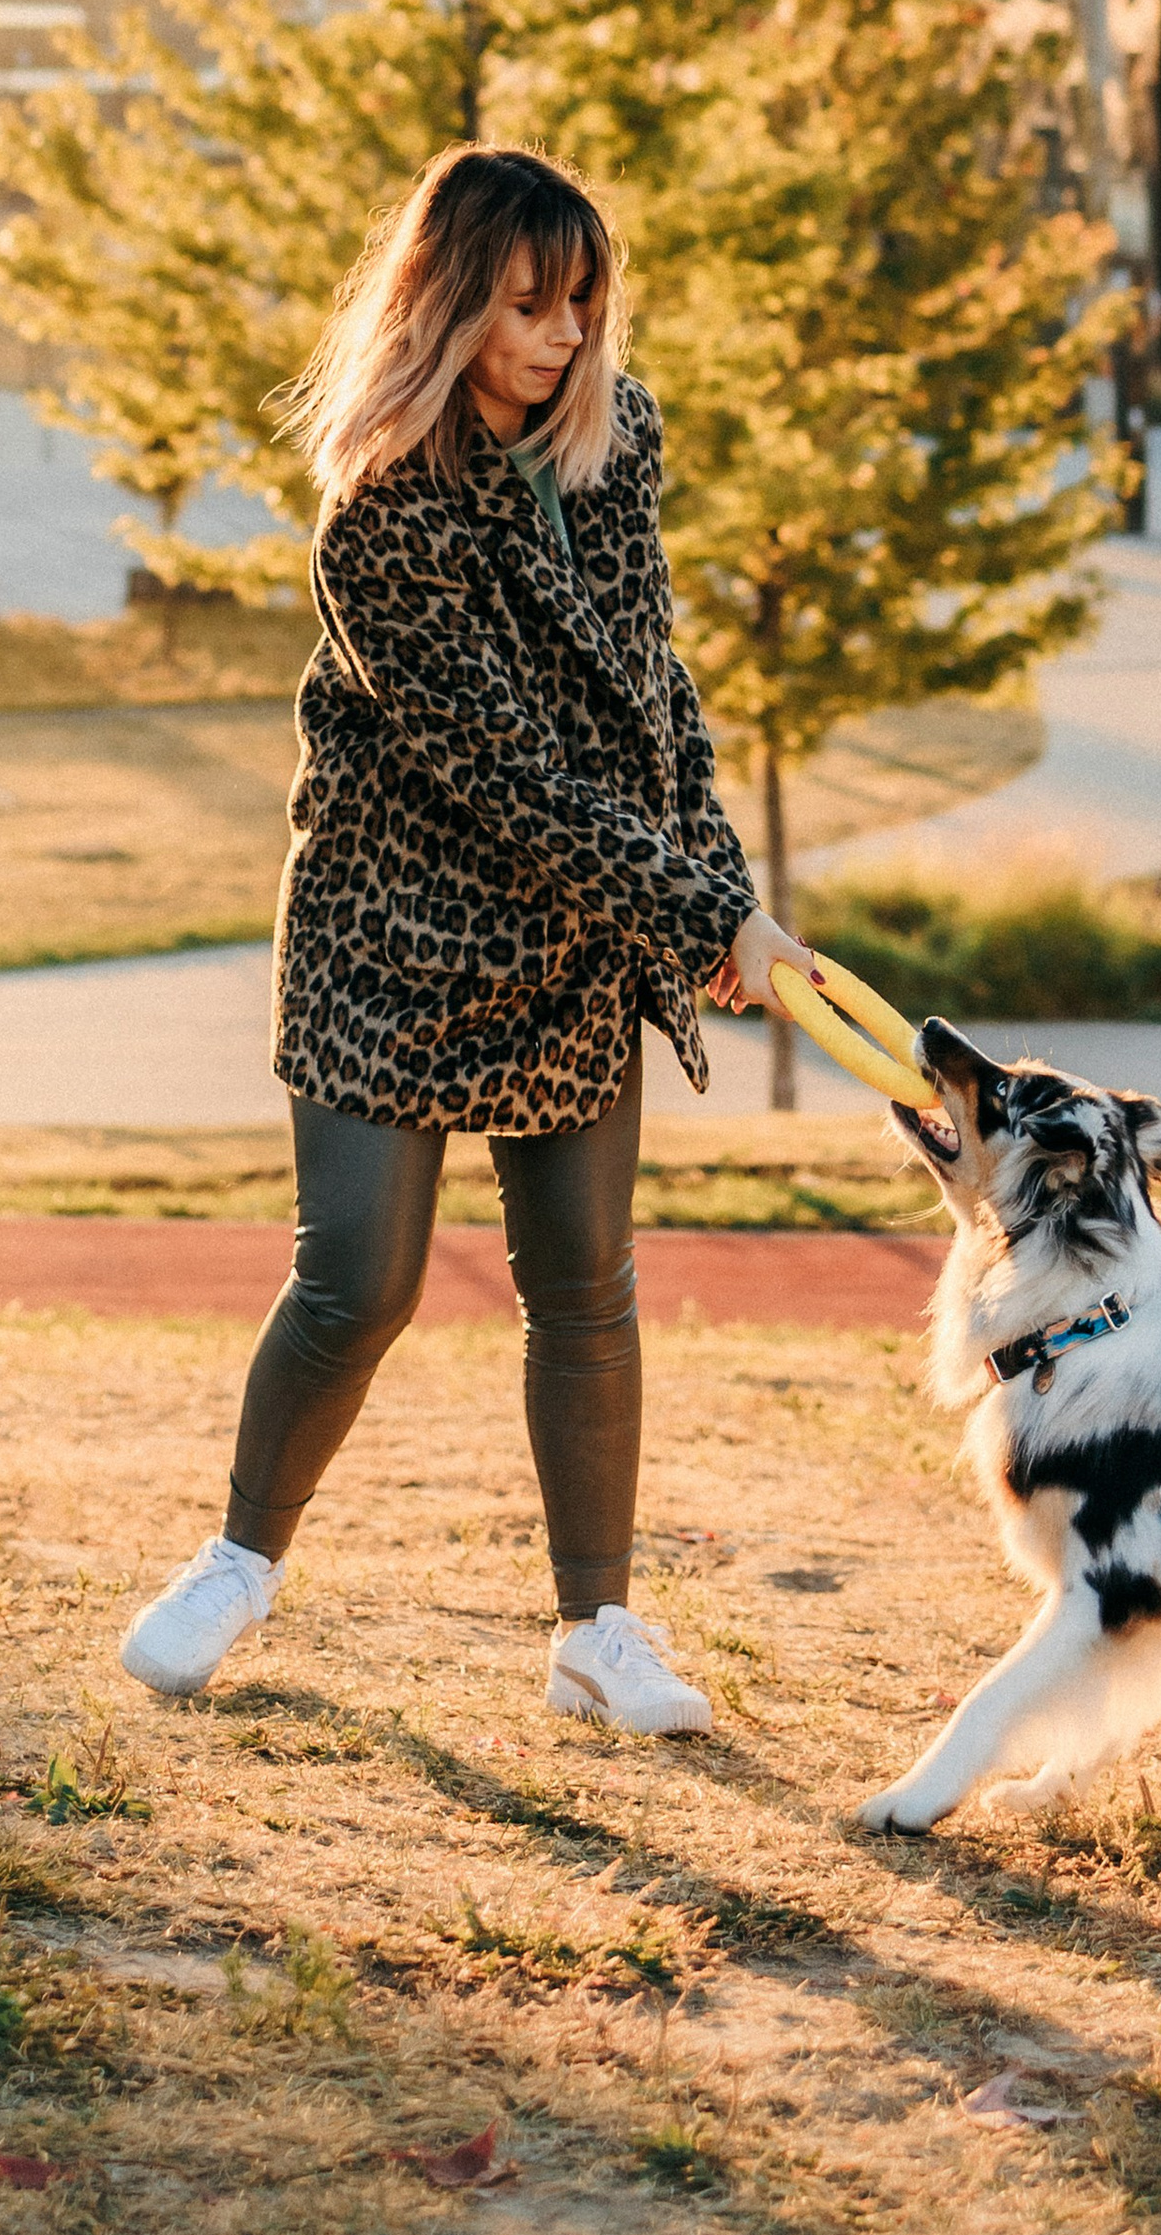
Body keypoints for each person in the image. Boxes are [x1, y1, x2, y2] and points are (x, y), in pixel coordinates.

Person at [120, 145, 816, 1733]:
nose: (564, 337)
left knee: (586, 1286)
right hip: (398, 936)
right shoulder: (379, 511)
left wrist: (718, 888)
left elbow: (650, 688)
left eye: (583, 304)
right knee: (356, 1283)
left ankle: (598, 1631)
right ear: (448, 303)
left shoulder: (611, 438)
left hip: (581, 928)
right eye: (527, 306)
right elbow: (504, 775)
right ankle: (238, 1562)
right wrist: (703, 910)